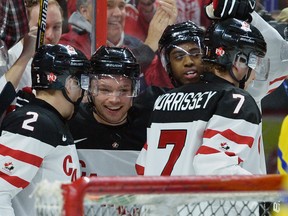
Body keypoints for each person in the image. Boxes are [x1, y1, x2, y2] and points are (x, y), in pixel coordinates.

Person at [136, 17, 267, 215]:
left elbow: (142, 167)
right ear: (237, 61)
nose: (254, 74)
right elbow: (214, 167)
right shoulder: (234, 100)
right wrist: (267, 204)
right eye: (253, 62)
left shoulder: (164, 101)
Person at [0, 44, 90, 216]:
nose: (84, 93)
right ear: (70, 84)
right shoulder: (36, 123)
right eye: (82, 82)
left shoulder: (49, 121)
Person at [68, 45, 165, 178]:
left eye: (124, 90)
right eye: (105, 90)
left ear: (134, 90)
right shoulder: (70, 124)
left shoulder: (150, 124)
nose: (114, 100)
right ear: (90, 90)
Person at [60, 0, 177, 89]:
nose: (118, 13)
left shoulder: (135, 44)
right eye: (109, 6)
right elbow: (105, 78)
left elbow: (161, 85)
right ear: (85, 11)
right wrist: (148, 48)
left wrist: (166, 43)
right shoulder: (69, 46)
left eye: (121, 6)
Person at [0, 0, 64, 92]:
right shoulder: (7, 57)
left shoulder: (62, 62)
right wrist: (25, 56)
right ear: (26, 26)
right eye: (43, 28)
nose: (50, 35)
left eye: (56, 27)